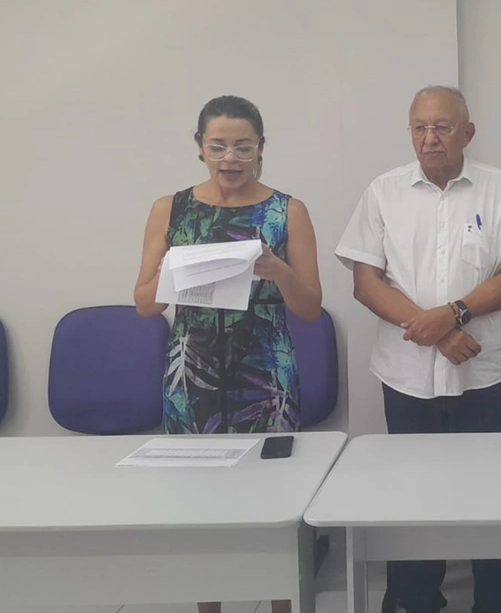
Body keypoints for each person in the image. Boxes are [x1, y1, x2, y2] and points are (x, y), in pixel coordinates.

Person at [336, 86, 501, 613]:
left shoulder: (499, 188)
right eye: (419, 128)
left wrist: (454, 314)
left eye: (442, 127)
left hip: (484, 372)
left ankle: (495, 602)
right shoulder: (383, 191)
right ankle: (413, 600)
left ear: (467, 133)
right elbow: (365, 281)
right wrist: (436, 330)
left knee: (490, 497)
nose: (430, 139)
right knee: (412, 496)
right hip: (407, 374)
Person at [133, 95, 323, 613]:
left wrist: (278, 271)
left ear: (262, 149)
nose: (230, 158)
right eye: (217, 146)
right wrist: (177, 269)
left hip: (265, 377)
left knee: (275, 510)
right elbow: (145, 304)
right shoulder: (169, 208)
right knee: (200, 513)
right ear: (199, 149)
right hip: (190, 376)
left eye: (244, 146)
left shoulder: (288, 210)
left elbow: (309, 309)